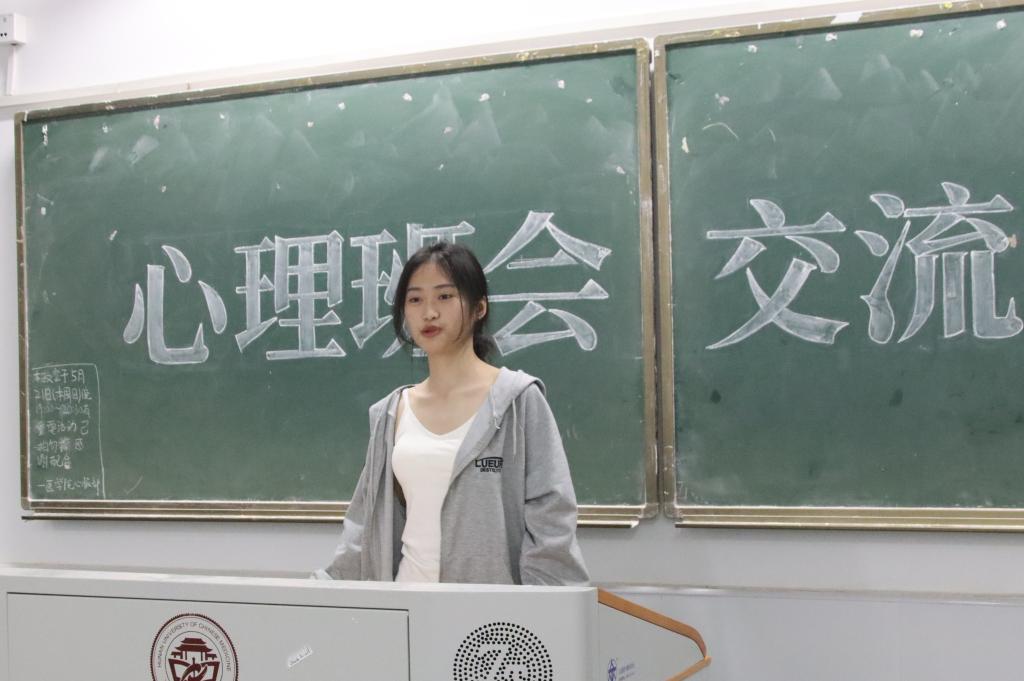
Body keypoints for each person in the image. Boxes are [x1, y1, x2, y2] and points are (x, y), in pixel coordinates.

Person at [315, 241, 588, 585]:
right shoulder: (391, 412)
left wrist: (542, 606)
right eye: (415, 300)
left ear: (479, 308)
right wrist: (318, 592)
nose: (429, 312)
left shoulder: (518, 401)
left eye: (444, 296)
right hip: (406, 604)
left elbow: (552, 522)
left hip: (487, 614)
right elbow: (364, 528)